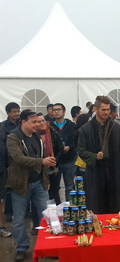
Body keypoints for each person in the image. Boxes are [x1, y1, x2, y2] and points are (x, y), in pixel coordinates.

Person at [7, 110, 56, 262]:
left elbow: (42, 159)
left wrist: (45, 179)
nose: (38, 124)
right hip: (21, 185)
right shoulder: (13, 137)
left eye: (38, 121)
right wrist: (42, 162)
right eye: (34, 122)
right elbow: (19, 158)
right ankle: (21, 248)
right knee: (19, 219)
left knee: (48, 216)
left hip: (39, 184)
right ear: (24, 122)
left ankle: (49, 246)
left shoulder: (37, 137)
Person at [78, 96, 120, 214]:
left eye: (108, 109)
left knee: (115, 202)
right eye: (103, 110)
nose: (106, 112)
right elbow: (81, 150)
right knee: (96, 203)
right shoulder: (85, 129)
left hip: (113, 169)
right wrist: (94, 156)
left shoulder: (115, 127)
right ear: (95, 109)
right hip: (95, 171)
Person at [50, 103, 77, 202]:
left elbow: (76, 141)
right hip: (55, 160)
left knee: (69, 186)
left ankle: (69, 208)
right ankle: (56, 209)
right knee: (54, 187)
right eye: (54, 110)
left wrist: (69, 147)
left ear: (64, 111)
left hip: (69, 160)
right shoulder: (50, 126)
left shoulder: (71, 125)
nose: (56, 112)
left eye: (58, 109)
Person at [0, 102, 20, 237]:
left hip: (17, 162)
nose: (16, 114)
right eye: (14, 111)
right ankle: (8, 212)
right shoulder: (3, 127)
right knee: (6, 191)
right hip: (6, 163)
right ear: (8, 113)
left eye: (18, 111)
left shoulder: (21, 124)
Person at [36, 114, 64, 204]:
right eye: (38, 121)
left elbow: (61, 149)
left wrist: (55, 160)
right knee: (41, 195)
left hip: (53, 168)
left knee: (54, 192)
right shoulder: (33, 135)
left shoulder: (53, 133)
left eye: (43, 121)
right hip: (38, 170)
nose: (41, 123)